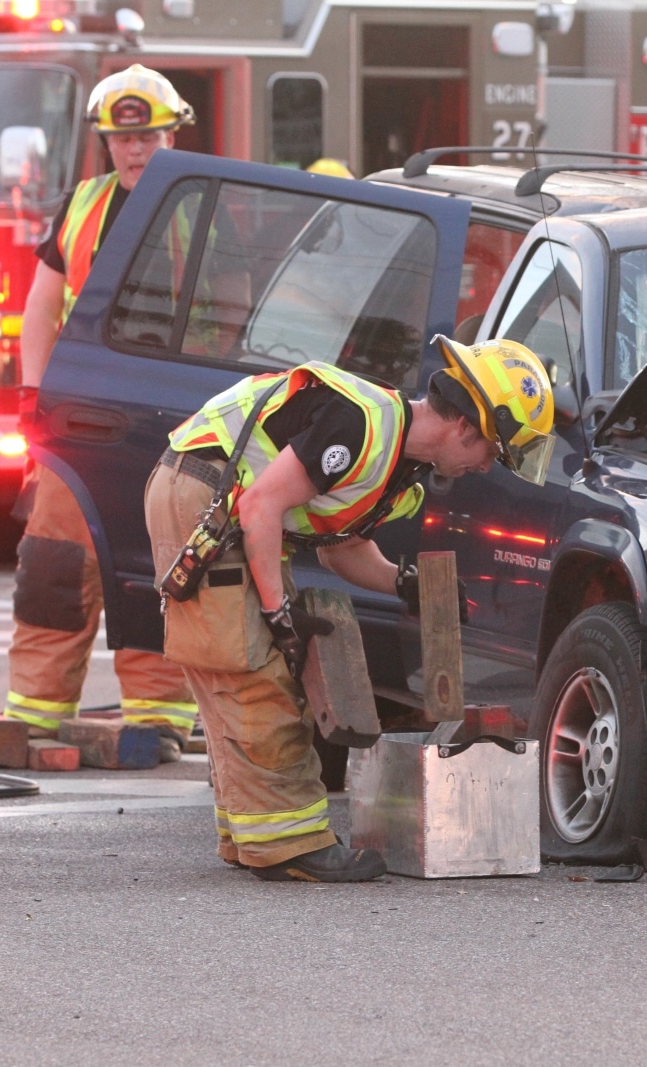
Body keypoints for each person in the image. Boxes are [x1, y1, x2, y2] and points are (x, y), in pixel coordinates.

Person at [145, 338, 555, 882]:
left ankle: (254, 836)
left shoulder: (396, 462)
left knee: (238, 673)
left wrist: (403, 583)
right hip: (208, 496)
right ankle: (290, 845)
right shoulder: (363, 425)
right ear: (465, 427)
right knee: (257, 675)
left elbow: (342, 550)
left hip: (217, 502)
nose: (486, 468)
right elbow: (262, 505)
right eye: (492, 453)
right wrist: (278, 615)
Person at [3, 66, 201, 756]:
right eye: (122, 138)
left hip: (170, 422)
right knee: (53, 561)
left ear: (172, 134)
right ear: (106, 140)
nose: (135, 149)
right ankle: (35, 706)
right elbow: (39, 306)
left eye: (147, 136)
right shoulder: (83, 204)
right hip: (80, 417)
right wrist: (32, 397)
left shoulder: (203, 205)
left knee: (159, 564)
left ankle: (159, 713)